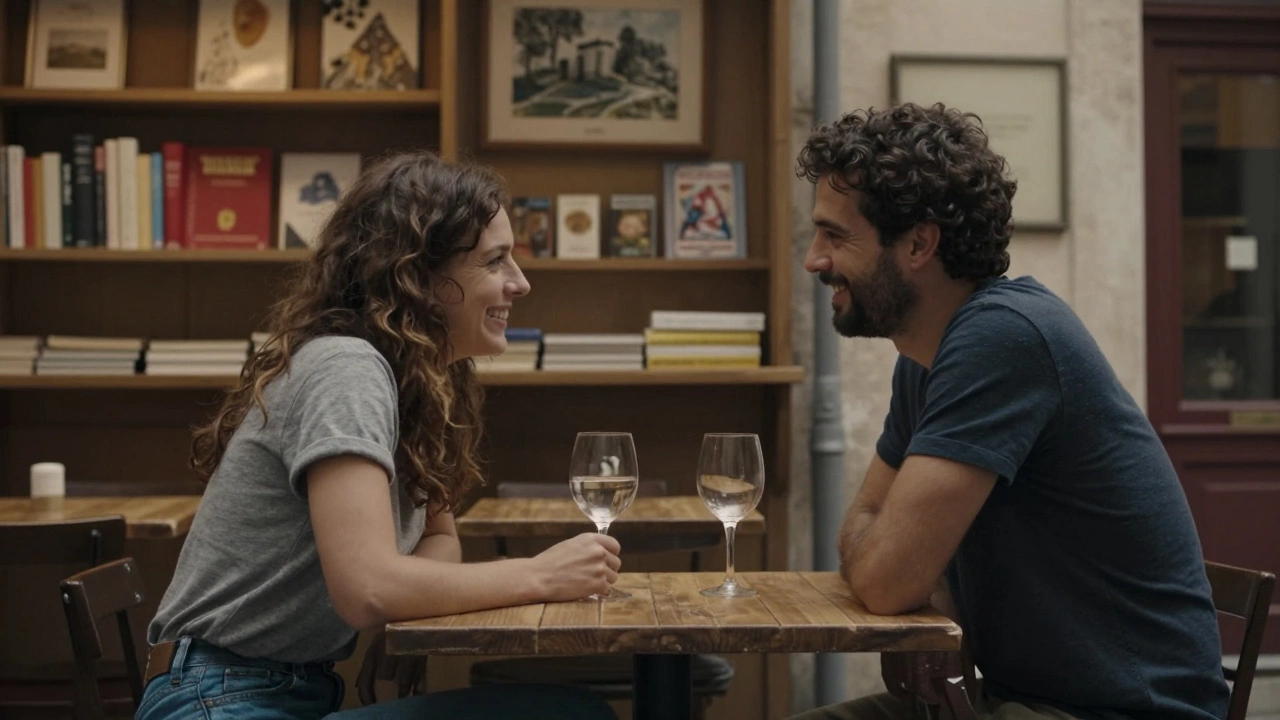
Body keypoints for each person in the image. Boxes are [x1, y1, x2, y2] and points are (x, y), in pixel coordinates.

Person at [136, 151, 621, 720]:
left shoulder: (418, 382)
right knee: (568, 716)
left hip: (273, 694)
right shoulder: (347, 368)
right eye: (496, 261)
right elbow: (367, 588)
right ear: (420, 277)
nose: (521, 282)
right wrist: (541, 574)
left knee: (566, 711)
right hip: (216, 699)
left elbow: (438, 540)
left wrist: (399, 620)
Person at [791, 103, 1230, 720]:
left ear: (919, 243)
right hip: (1012, 701)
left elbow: (885, 577)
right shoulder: (924, 361)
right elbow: (870, 534)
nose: (814, 259)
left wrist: (905, 569)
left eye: (836, 236)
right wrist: (902, 570)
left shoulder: (1004, 338)